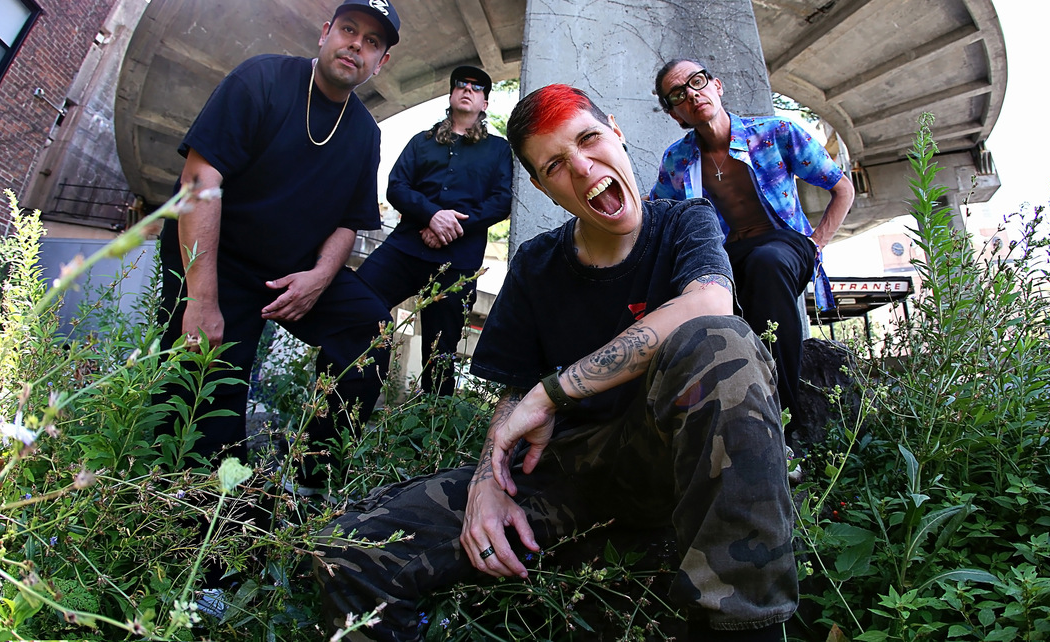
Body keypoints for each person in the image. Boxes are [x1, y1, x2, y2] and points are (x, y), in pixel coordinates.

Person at [316, 84, 797, 641]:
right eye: (555, 165)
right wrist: (488, 483)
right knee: (345, 549)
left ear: (616, 131)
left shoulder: (686, 222)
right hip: (563, 476)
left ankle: (747, 625)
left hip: (669, 461)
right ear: (543, 188)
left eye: (589, 139)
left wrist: (554, 391)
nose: (583, 168)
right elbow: (514, 393)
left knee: (718, 341)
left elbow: (709, 305)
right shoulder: (535, 263)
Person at [156, 0, 401, 485]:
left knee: (368, 327)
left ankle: (311, 476)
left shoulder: (365, 133)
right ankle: (178, 505)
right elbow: (200, 180)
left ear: (381, 62)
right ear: (325, 33)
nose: (357, 45)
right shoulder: (262, 79)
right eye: (349, 30)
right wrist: (201, 299)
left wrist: (320, 278)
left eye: (372, 41)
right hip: (215, 261)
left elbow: (348, 222)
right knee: (203, 406)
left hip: (291, 268)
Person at [650, 60, 855, 423]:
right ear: (675, 114)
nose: (692, 95)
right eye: (678, 94)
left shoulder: (776, 132)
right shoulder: (677, 160)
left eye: (697, 82)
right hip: (728, 256)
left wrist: (816, 244)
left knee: (767, 262)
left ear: (717, 86)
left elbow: (842, 188)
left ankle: (784, 417)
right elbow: (658, 214)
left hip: (785, 244)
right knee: (689, 295)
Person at [356, 65, 512, 396]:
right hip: (404, 250)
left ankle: (431, 422)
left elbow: (501, 203)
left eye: (477, 88)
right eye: (461, 84)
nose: (468, 89)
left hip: (457, 262)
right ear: (451, 94)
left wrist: (450, 226)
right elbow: (396, 186)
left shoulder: (499, 150)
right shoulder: (421, 142)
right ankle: (355, 398)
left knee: (440, 355)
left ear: (484, 103)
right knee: (358, 303)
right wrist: (431, 215)